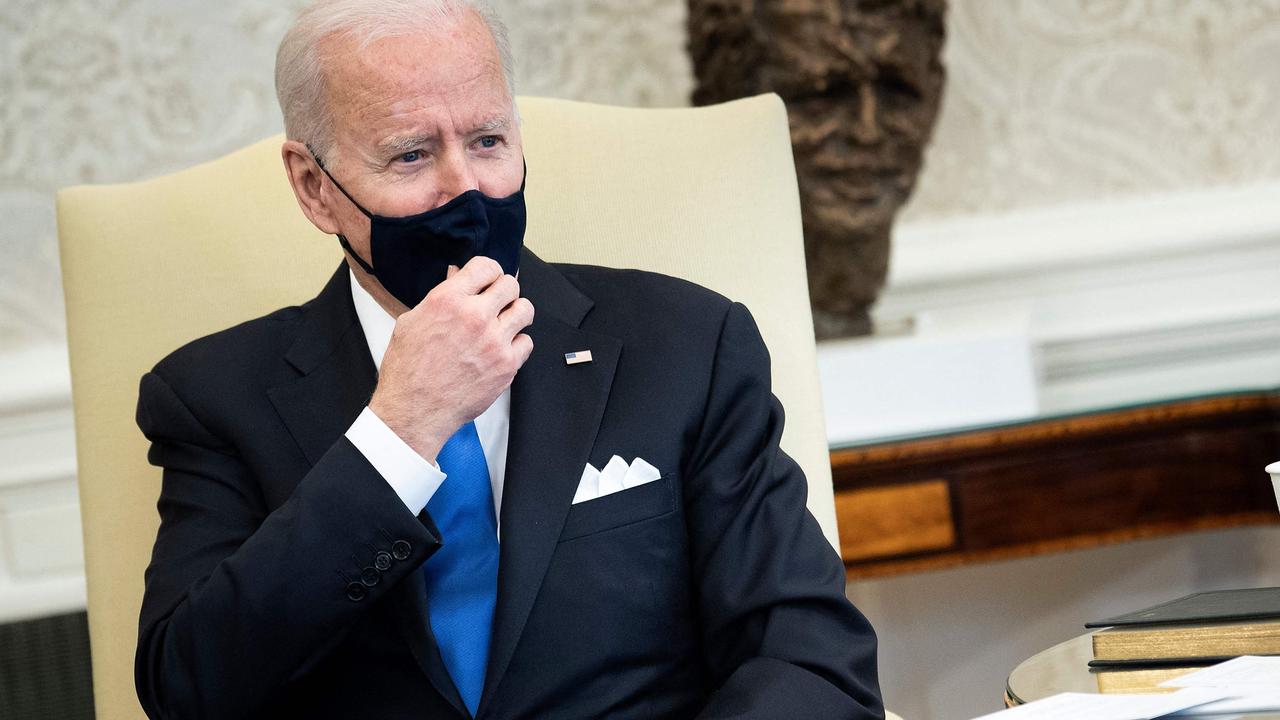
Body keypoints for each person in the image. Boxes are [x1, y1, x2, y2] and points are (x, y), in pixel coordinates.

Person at [132, 1, 883, 718]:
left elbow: (809, 657)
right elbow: (190, 690)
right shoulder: (212, 398)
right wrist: (398, 433)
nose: (466, 188)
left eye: (488, 141)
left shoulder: (687, 346)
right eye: (411, 153)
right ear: (313, 187)